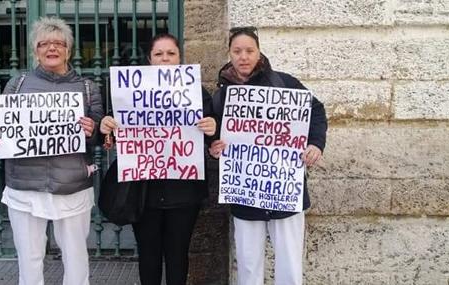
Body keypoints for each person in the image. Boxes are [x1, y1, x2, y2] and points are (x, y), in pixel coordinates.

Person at [0, 17, 103, 285]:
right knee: (29, 259)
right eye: (44, 44)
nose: (52, 48)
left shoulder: (87, 88)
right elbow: (0, 123)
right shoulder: (17, 84)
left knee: (76, 258)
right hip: (24, 187)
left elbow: (98, 134)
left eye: (59, 43)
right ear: (35, 51)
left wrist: (92, 129)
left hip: (72, 186)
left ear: (68, 50)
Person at [209, 27, 328, 285]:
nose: (244, 56)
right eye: (237, 51)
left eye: (249, 50)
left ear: (259, 52)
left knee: (290, 264)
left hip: (285, 192)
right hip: (245, 193)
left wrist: (316, 144)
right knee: (248, 265)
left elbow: (316, 111)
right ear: (229, 53)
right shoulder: (221, 96)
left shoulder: (284, 83)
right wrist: (215, 149)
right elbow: (215, 135)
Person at [99, 33, 217, 285]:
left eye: (171, 53)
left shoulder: (196, 92)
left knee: (178, 255)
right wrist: (108, 125)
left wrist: (211, 127)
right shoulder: (131, 92)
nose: (165, 58)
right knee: (149, 255)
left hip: (184, 192)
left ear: (179, 58)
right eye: (159, 54)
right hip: (144, 192)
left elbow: (212, 139)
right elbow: (117, 129)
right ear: (150, 59)